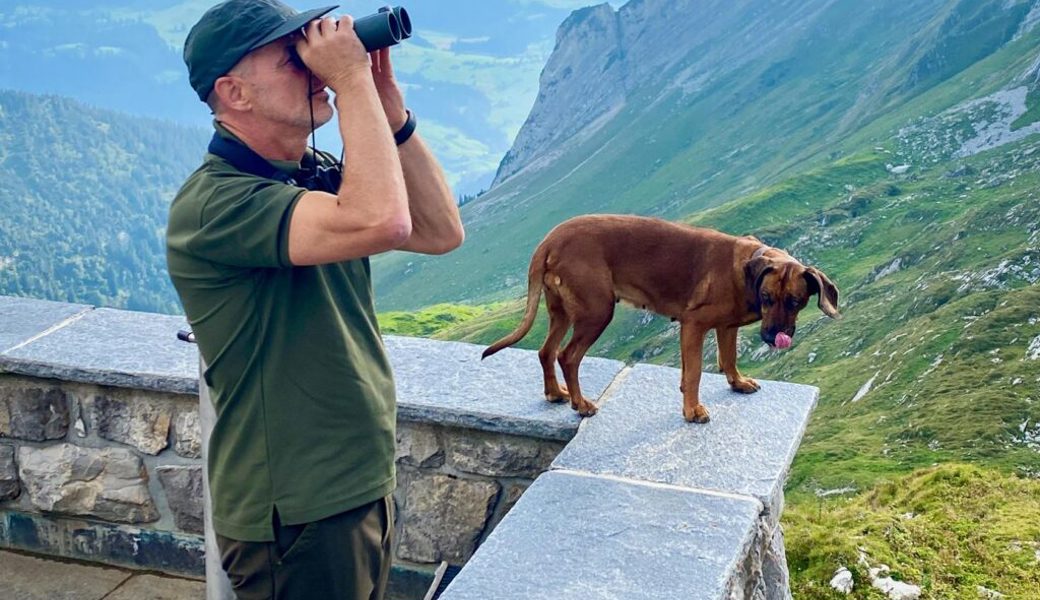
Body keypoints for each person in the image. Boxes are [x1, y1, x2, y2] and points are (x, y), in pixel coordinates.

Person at [166, 0, 464, 597]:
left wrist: (390, 114)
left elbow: (439, 232)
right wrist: (351, 82)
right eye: (291, 57)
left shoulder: (305, 173)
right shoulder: (215, 205)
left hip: (356, 483)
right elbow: (382, 221)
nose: (315, 66)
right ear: (235, 93)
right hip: (295, 508)